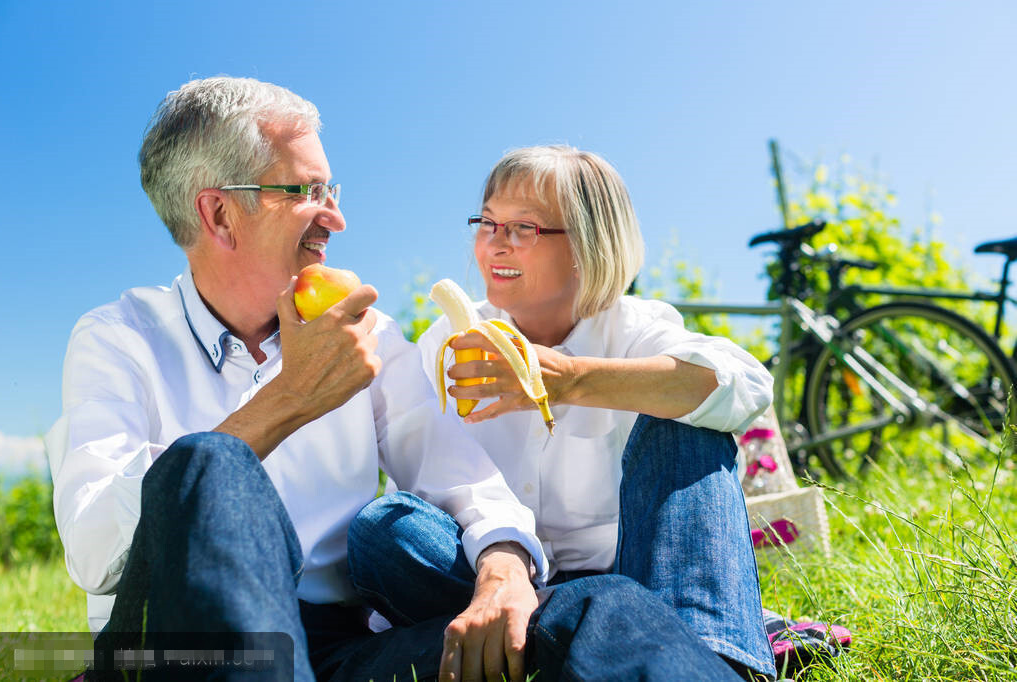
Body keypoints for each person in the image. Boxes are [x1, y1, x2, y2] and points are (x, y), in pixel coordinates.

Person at [47, 79, 747, 681]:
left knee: (598, 606)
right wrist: (287, 402)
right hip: (180, 644)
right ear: (220, 213)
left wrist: (503, 571)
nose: (337, 218)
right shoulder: (121, 338)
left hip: (338, 650)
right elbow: (96, 553)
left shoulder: (371, 337)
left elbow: (458, 475)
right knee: (207, 463)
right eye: (306, 192)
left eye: (332, 190)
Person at [358, 145, 779, 679]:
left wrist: (570, 379)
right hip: (492, 577)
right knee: (384, 529)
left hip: (636, 578)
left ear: (588, 241)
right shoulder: (447, 341)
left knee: (689, 427)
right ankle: (615, 652)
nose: (494, 243)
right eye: (486, 223)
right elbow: (429, 484)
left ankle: (709, 658)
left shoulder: (634, 327)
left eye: (523, 228)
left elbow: (744, 386)